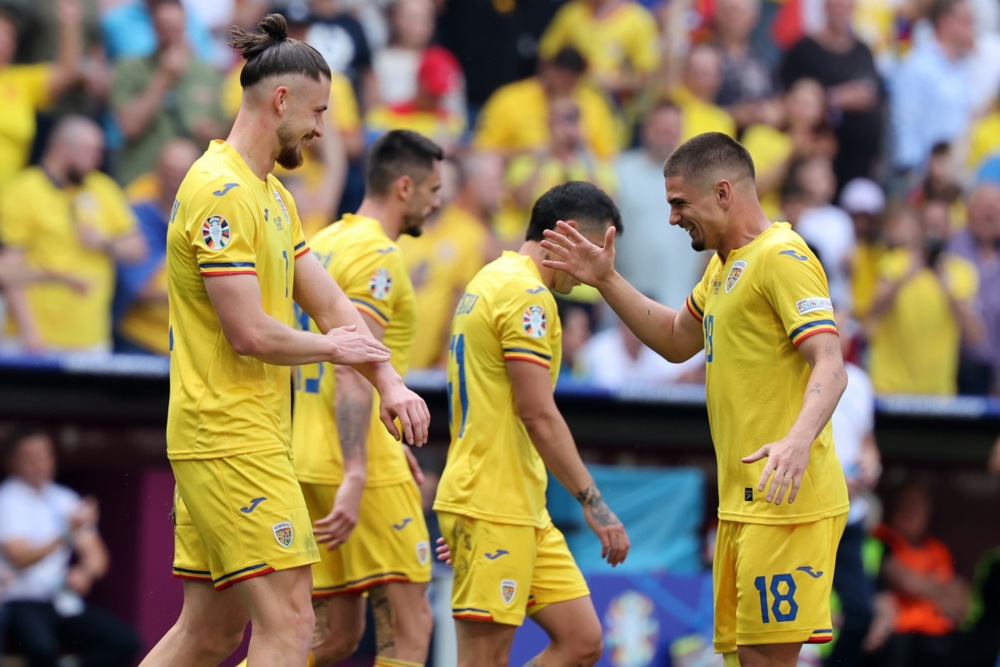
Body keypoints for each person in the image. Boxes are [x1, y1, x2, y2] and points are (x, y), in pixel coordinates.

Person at [139, 14, 430, 667]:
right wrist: (337, 351)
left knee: (208, 634)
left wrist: (389, 382)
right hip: (228, 436)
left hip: (245, 435)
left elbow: (330, 303)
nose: (322, 128)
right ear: (280, 101)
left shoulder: (271, 195)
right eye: (318, 111)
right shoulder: (219, 191)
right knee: (295, 622)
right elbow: (247, 331)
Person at [540, 132, 849, 667]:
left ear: (724, 193)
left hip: (786, 503)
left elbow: (831, 362)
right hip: (743, 504)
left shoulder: (782, 257)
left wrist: (797, 443)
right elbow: (676, 339)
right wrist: (607, 279)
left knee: (764, 662)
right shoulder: (724, 266)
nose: (672, 218)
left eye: (680, 203)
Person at [434, 181, 630, 667]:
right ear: (566, 236)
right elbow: (537, 412)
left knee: (582, 641)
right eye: (596, 251)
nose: (594, 273)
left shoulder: (492, 279)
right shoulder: (525, 296)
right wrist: (595, 504)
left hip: (514, 504)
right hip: (494, 502)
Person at [289, 129, 444, 667]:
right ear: (404, 187)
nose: (438, 201)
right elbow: (356, 368)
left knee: (331, 637)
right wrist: (358, 469)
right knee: (410, 624)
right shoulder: (379, 256)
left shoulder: (325, 241)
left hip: (307, 452)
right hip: (356, 464)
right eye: (433, 188)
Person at [0, 115, 147, 353]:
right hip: (33, 340)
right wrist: (30, 332)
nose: (97, 160)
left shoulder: (102, 188)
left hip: (91, 338)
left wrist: (104, 243)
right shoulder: (23, 191)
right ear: (62, 148)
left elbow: (138, 248)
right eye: (90, 151)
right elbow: (8, 267)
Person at [0, 425, 141, 667]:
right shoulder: (7, 499)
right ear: (13, 462)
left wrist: (84, 573)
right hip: (20, 601)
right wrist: (66, 533)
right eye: (31, 458)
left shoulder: (65, 498)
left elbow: (97, 557)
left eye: (45, 456)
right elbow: (20, 556)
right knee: (42, 649)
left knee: (125, 642)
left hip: (62, 601)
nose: (40, 464)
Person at [111, 0, 227, 186]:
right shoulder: (130, 69)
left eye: (176, 28)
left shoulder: (207, 73)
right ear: (153, 28)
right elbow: (128, 127)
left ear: (186, 26)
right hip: (143, 180)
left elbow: (223, 137)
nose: (170, 36)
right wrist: (163, 78)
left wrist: (207, 131)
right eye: (164, 28)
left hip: (194, 183)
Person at [114, 138, 201, 355]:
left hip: (193, 345)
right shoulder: (136, 214)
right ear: (157, 172)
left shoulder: (210, 218)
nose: (176, 181)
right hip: (140, 340)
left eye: (183, 173)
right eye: (170, 172)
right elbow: (141, 288)